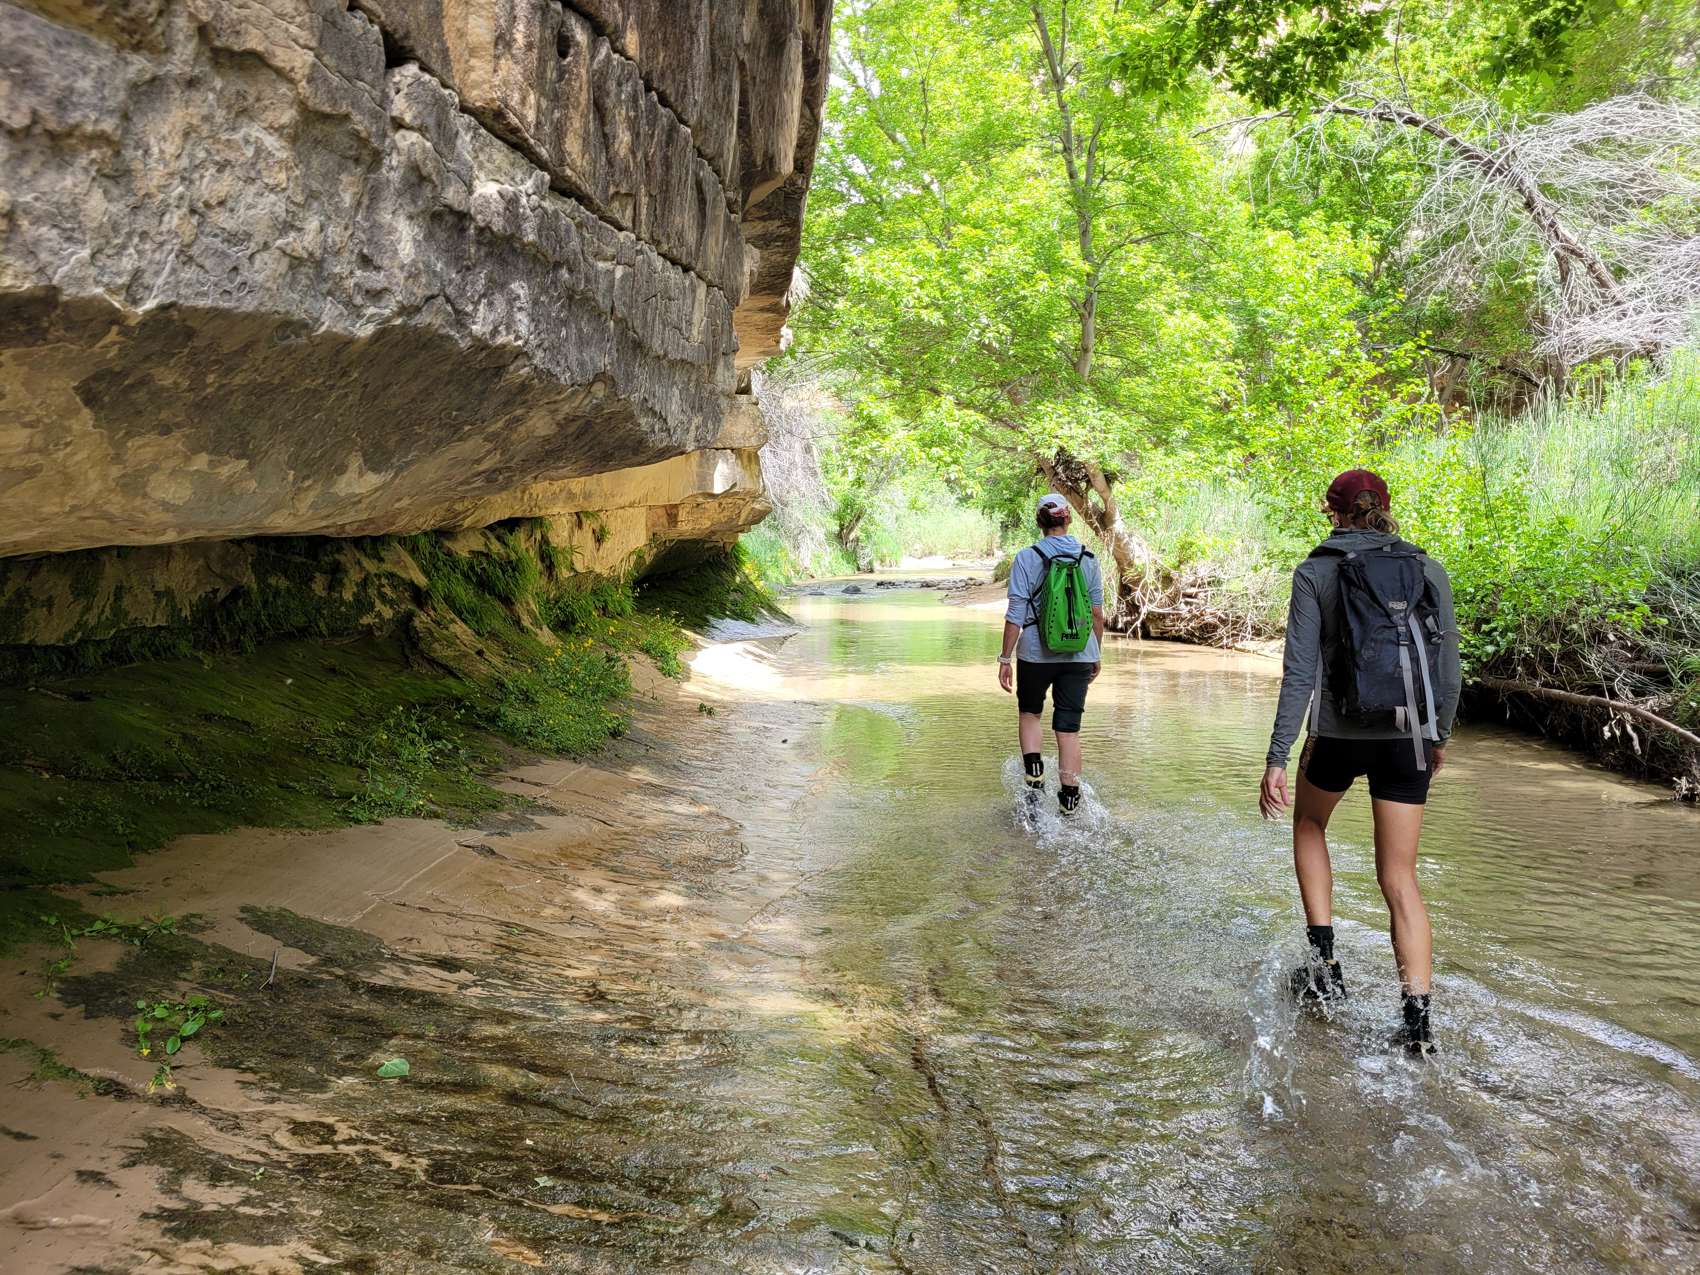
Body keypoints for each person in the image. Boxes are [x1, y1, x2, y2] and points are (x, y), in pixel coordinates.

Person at [1257, 469, 1460, 1054]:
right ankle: (1418, 1025)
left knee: (1309, 822)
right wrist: (1438, 735)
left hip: (1338, 735)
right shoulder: (1427, 569)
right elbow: (1448, 670)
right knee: (1399, 878)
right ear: (1385, 508)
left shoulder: (1315, 572)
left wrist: (1277, 755)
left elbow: (1300, 673)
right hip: (1407, 738)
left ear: (1334, 513)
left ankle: (1325, 969)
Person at [998, 493, 1107, 814]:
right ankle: (1070, 801)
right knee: (1069, 728)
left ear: (1040, 523)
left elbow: (1015, 613)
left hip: (1035, 653)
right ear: (1068, 519)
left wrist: (1005, 658)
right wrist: (1095, 653)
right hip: (1080, 653)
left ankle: (1034, 778)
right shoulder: (1089, 558)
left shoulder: (1027, 558)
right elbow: (1097, 614)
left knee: (1030, 714)